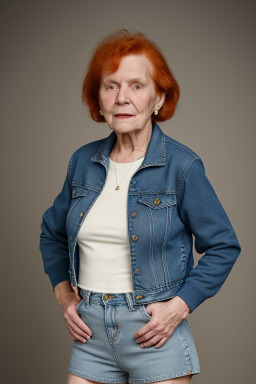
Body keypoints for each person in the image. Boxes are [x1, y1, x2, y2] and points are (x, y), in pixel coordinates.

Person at [39, 29, 241, 384]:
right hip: (90, 333)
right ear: (98, 101)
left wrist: (177, 308)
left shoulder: (183, 166)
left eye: (136, 85)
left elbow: (223, 245)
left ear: (159, 99)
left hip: (153, 334)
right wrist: (64, 295)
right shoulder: (82, 162)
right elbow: (51, 233)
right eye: (110, 86)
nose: (122, 98)